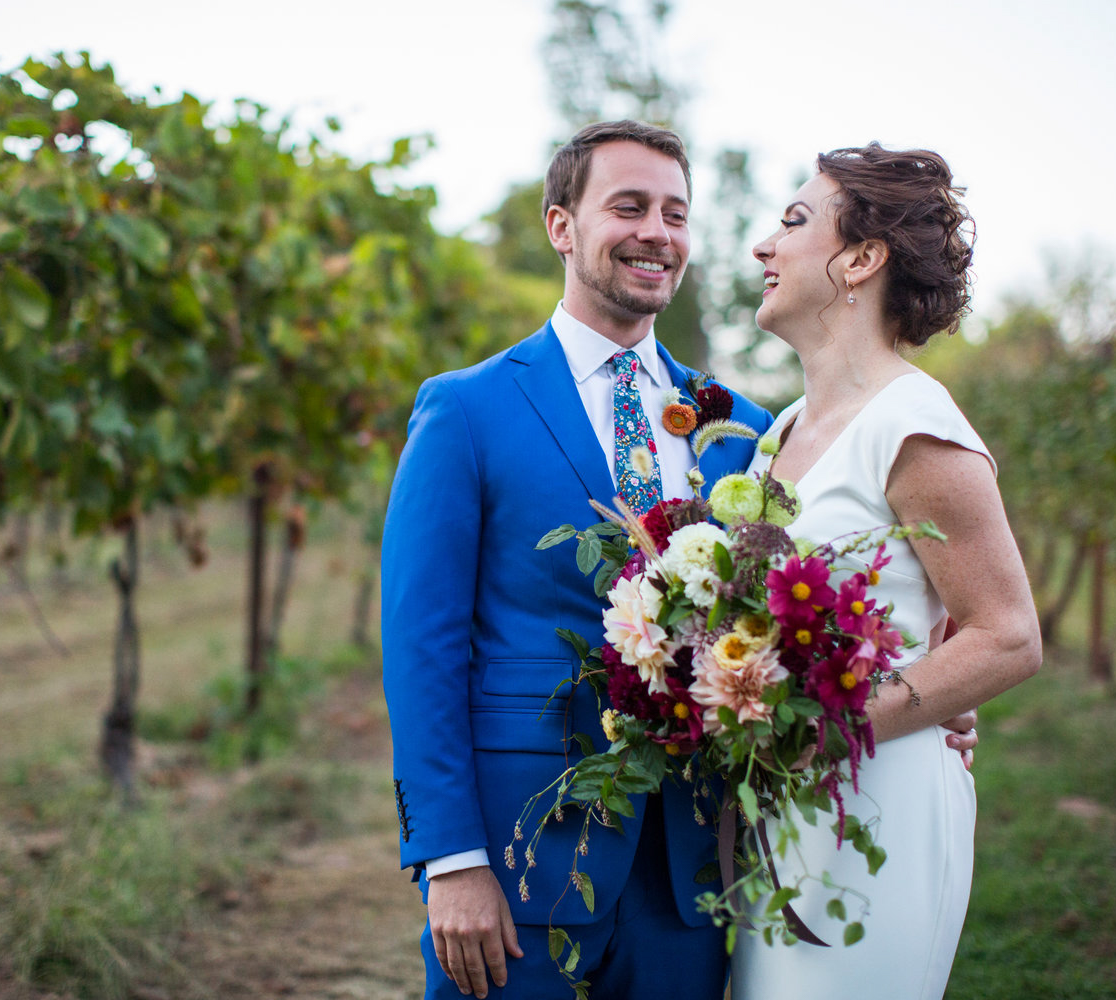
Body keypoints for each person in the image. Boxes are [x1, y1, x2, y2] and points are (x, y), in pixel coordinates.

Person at [382, 122, 980, 1000]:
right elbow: (420, 649)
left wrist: (927, 699)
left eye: (676, 213)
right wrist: (451, 858)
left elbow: (801, 610)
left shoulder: (744, 427)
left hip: (698, 872)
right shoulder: (466, 410)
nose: (656, 233)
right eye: (627, 207)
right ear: (561, 226)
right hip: (522, 866)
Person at [730, 144, 1042, 1000]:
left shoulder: (915, 424)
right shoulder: (780, 429)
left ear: (862, 259)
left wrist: (821, 733)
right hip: (777, 813)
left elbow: (1008, 636)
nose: (765, 246)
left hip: (878, 803)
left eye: (794, 223)